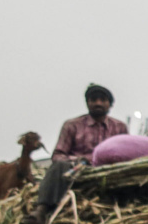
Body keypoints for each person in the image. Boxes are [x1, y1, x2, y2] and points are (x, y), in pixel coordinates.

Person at [36, 85, 128, 217]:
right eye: (93, 100)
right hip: (77, 171)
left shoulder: (119, 127)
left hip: (108, 171)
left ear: (110, 104)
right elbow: (58, 155)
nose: (98, 103)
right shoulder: (72, 125)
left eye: (102, 100)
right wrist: (76, 160)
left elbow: (126, 153)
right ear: (87, 103)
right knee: (58, 166)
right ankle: (41, 210)